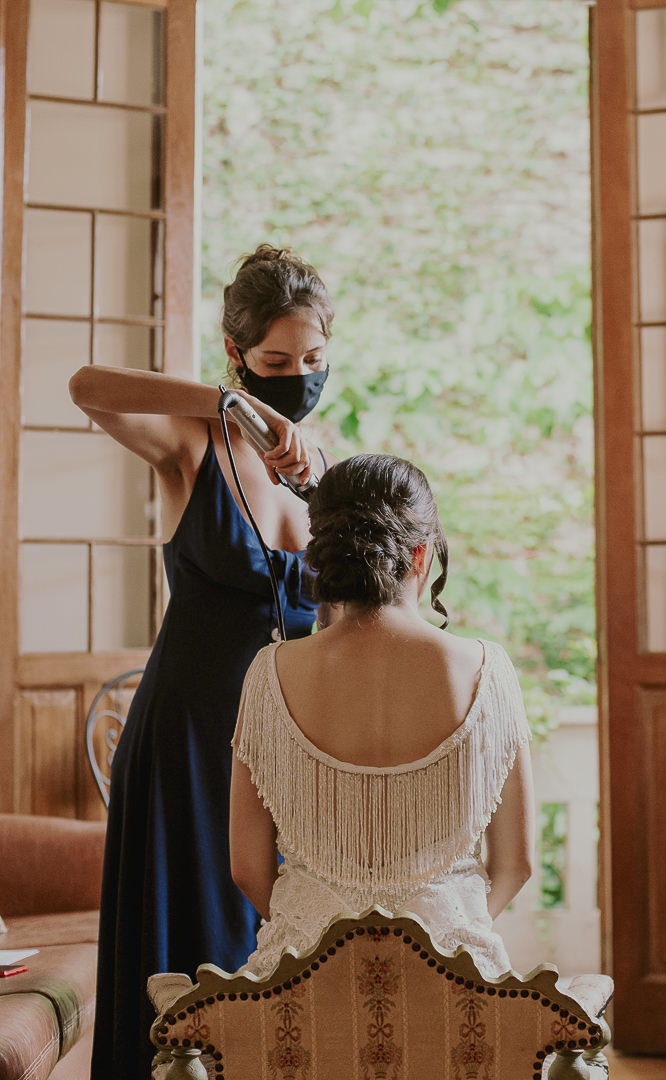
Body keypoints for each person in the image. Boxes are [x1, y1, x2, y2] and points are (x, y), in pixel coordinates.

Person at [69, 244, 337, 1080]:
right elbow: (86, 387)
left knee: (282, 961)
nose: (298, 376)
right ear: (237, 356)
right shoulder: (193, 441)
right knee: (191, 960)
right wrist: (230, 407)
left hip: (292, 746)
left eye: (314, 359)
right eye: (276, 361)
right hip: (190, 738)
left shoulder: (324, 460)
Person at [228, 452, 534, 982]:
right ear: (421, 556)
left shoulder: (268, 672)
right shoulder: (489, 670)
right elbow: (517, 864)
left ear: (322, 556)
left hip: (303, 982)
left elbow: (247, 868)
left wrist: (318, 933)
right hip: (455, 984)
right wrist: (442, 930)